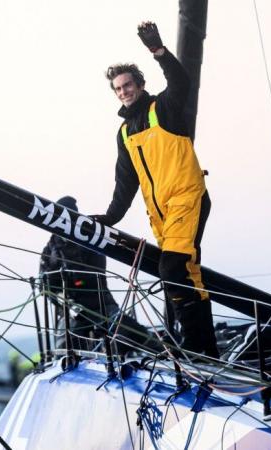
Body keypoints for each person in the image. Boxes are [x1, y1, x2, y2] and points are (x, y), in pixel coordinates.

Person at [92, 22, 218, 357]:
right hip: (161, 214)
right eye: (117, 89)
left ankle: (193, 351)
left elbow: (182, 82)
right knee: (188, 275)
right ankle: (208, 354)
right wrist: (111, 216)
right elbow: (126, 180)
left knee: (172, 269)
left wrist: (158, 51)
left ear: (140, 84)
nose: (123, 92)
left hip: (187, 199)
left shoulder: (162, 108)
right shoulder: (124, 133)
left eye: (127, 85)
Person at [40, 196, 159, 356]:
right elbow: (45, 286)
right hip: (71, 311)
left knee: (131, 333)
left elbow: (94, 273)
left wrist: (72, 281)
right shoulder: (49, 249)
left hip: (101, 304)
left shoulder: (90, 237)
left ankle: (167, 352)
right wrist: (66, 302)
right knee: (64, 352)